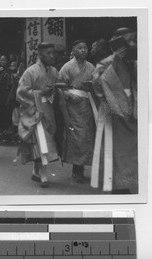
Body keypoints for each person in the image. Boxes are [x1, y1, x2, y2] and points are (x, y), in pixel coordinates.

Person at [91, 27, 138, 194]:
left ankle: (127, 182)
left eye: (134, 41)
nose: (132, 45)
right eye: (128, 42)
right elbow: (97, 84)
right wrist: (116, 61)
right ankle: (116, 184)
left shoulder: (134, 62)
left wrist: (132, 66)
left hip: (132, 106)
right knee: (114, 149)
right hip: (113, 108)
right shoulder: (106, 63)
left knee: (130, 149)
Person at [17, 42, 59, 187]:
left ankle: (36, 170)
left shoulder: (54, 71)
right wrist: (40, 93)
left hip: (48, 108)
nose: (52, 56)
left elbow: (56, 89)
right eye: (48, 53)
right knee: (42, 141)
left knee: (42, 142)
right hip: (34, 110)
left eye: (53, 53)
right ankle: (43, 174)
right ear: (40, 54)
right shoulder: (30, 71)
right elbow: (21, 92)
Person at [58, 39, 96, 183]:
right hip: (73, 106)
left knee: (86, 136)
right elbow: (60, 87)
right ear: (73, 51)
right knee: (76, 137)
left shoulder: (91, 67)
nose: (84, 50)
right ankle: (76, 169)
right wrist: (69, 94)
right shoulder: (66, 67)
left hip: (87, 105)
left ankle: (82, 168)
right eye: (80, 48)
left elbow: (96, 84)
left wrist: (91, 86)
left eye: (85, 48)